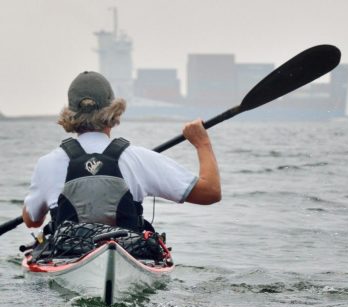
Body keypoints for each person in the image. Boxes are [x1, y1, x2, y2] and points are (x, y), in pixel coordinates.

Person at [22, 71, 221, 232]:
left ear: (70, 114)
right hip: (126, 254)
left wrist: (36, 204)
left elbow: (32, 221)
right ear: (114, 111)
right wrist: (202, 143)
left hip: (67, 257)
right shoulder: (139, 159)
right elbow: (211, 192)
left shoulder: (47, 164)